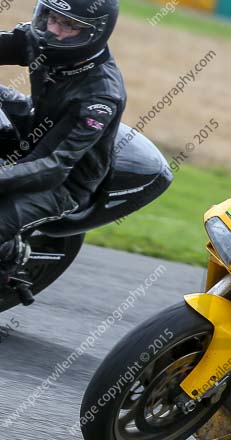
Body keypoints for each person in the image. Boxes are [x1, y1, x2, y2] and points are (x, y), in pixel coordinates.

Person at [0, 0, 125, 273]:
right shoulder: (41, 38)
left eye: (69, 24)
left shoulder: (100, 96)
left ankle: (9, 252)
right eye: (52, 17)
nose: (54, 29)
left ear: (94, 32)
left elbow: (55, 167)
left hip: (63, 183)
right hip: (33, 126)